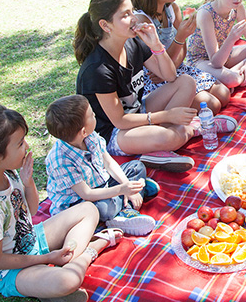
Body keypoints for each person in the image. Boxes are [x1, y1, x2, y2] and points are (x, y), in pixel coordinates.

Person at [0, 104, 123, 302]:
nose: (26, 146)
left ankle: (61, 267)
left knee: (89, 209)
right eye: (19, 144)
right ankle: (88, 251)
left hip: (30, 241)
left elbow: (31, 211)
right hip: (8, 271)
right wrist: (45, 258)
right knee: (68, 281)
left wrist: (28, 183)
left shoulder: (7, 173)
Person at [74, 0, 200, 173]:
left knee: (186, 82)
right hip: (113, 134)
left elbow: (170, 76)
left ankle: (160, 144)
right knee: (172, 137)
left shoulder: (132, 43)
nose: (133, 18)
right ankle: (192, 128)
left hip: (138, 112)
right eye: (125, 15)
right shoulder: (97, 69)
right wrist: (167, 116)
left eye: (132, 11)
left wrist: (156, 45)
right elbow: (120, 121)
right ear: (105, 25)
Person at [45, 95, 161, 236]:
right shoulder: (60, 161)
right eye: (92, 115)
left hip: (102, 183)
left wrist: (125, 184)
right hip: (80, 202)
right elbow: (87, 194)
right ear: (83, 131)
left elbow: (108, 162)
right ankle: (124, 213)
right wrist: (122, 189)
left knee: (137, 166)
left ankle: (130, 193)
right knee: (103, 209)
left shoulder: (90, 136)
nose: (95, 116)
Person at [130, 0, 232, 114]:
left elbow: (181, 54)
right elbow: (160, 68)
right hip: (154, 81)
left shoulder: (172, 9)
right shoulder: (141, 21)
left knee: (224, 94)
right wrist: (180, 37)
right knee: (212, 106)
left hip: (177, 69)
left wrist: (182, 39)